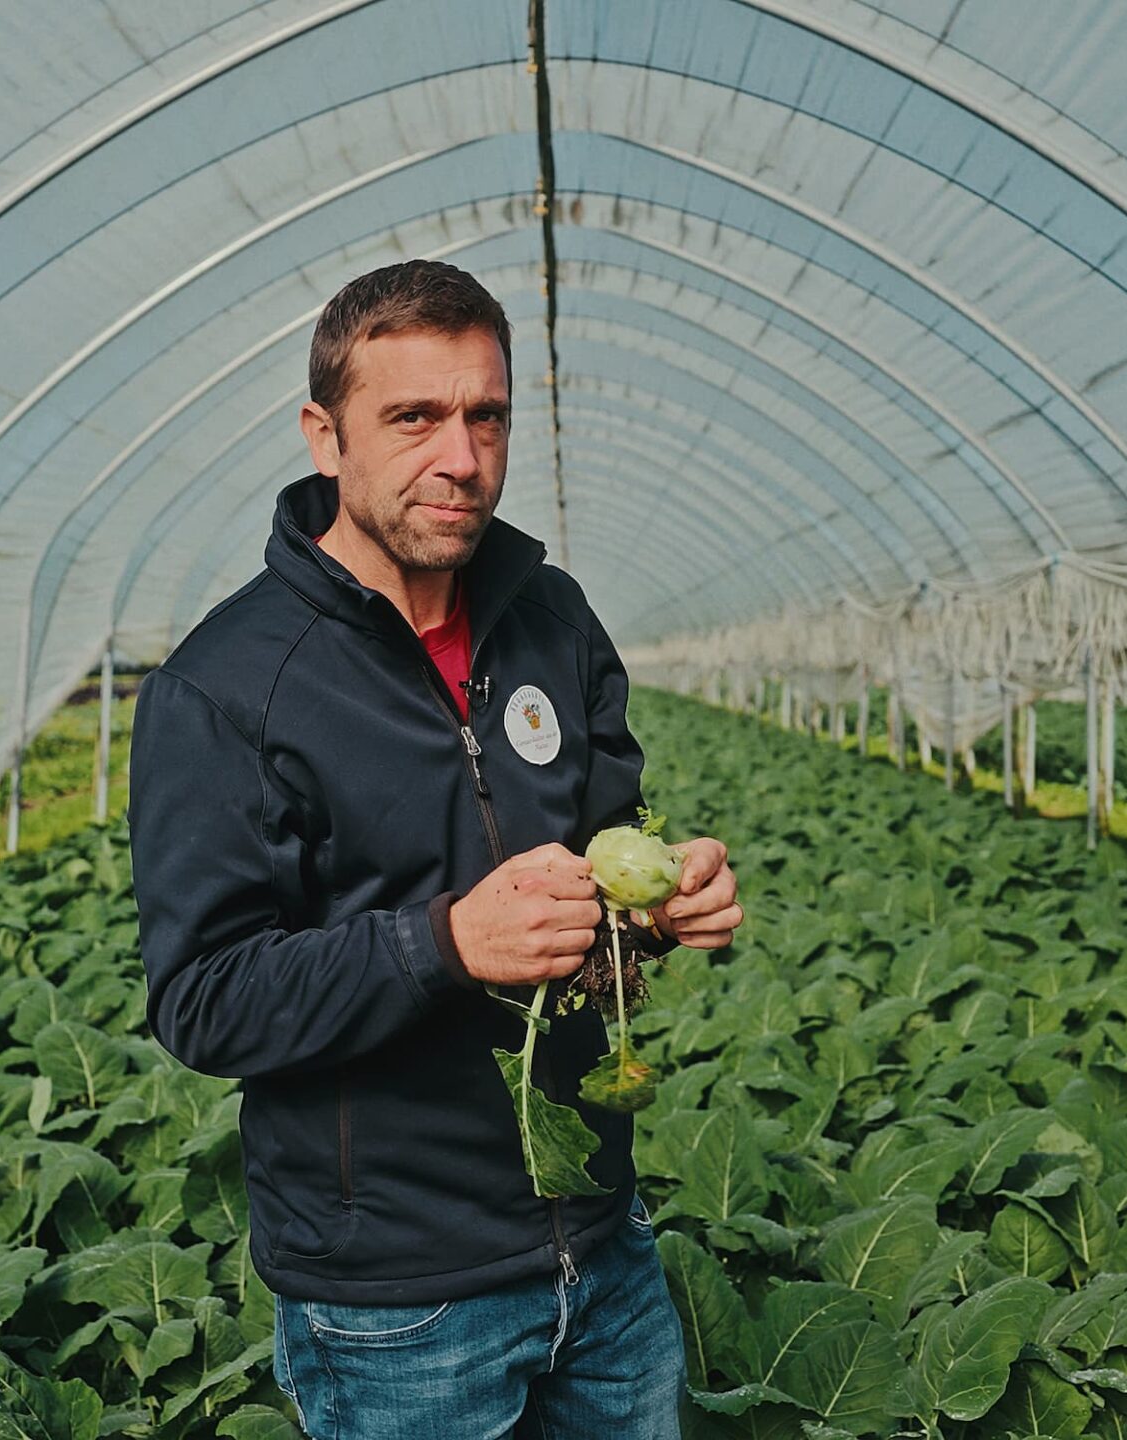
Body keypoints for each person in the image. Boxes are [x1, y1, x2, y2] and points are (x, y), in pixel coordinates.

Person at [127, 259, 744, 1438]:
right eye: (412, 417)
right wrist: (445, 944)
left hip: (602, 1246)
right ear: (326, 437)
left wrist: (659, 904)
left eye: (486, 415)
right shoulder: (226, 690)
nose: (459, 456)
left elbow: (606, 823)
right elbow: (204, 1002)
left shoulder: (549, 616)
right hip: (401, 1304)